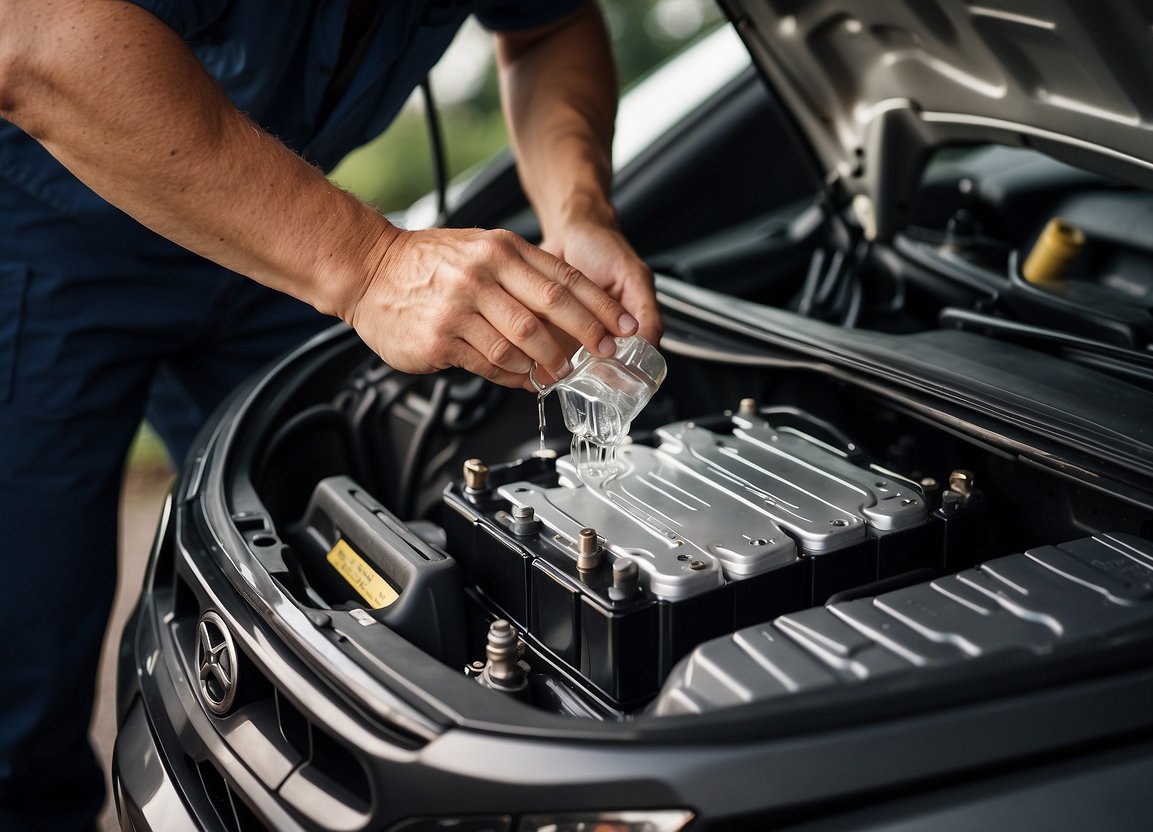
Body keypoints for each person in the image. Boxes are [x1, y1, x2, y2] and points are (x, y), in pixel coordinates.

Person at [0, 0, 661, 827]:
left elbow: (545, 29)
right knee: (16, 691)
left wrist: (578, 212)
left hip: (263, 234)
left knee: (338, 598)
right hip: (40, 235)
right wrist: (368, 266)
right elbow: (31, 38)